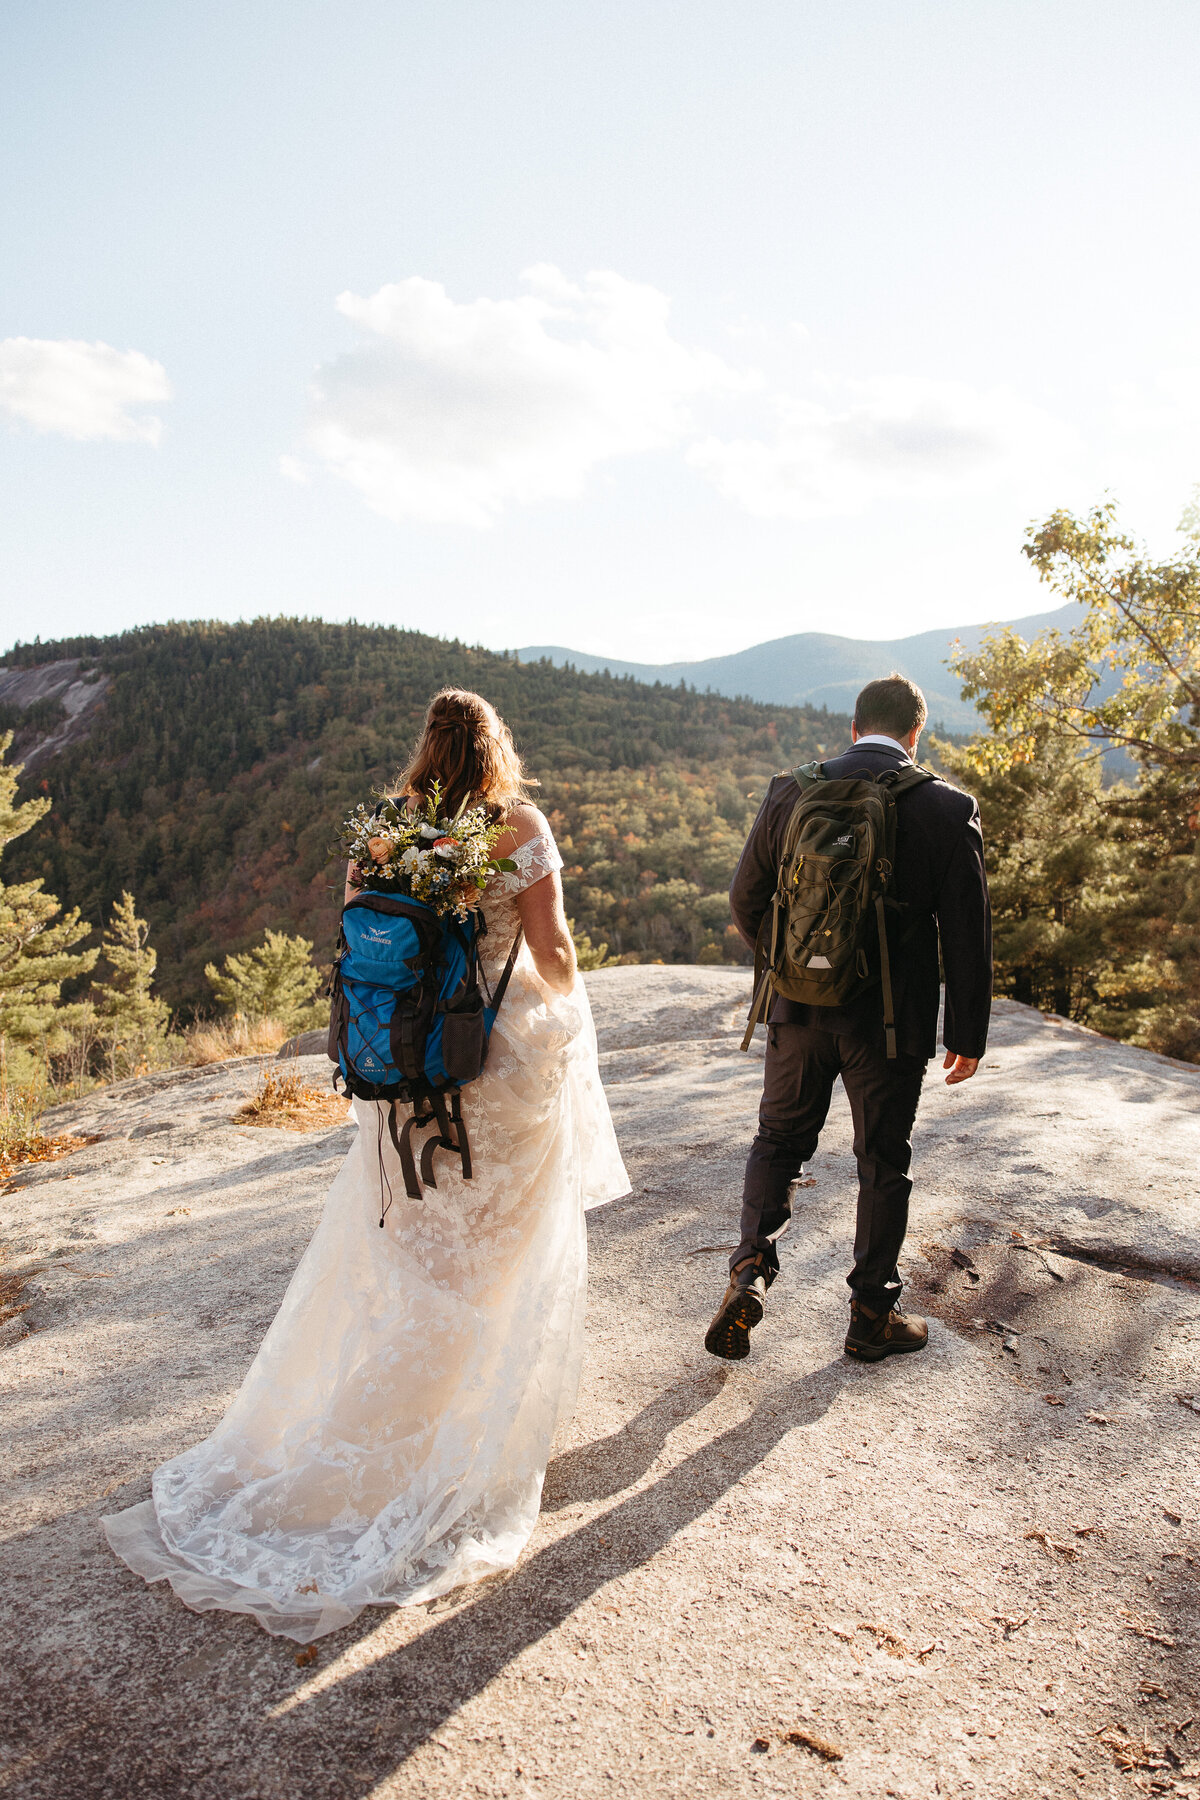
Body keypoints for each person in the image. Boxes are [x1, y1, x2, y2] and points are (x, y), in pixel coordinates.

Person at [104, 688, 629, 1642]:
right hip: (497, 1063)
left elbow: (355, 935)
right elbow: (550, 947)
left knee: (420, 1244)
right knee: (499, 1246)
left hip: (408, 1064)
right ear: (497, 748)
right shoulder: (516, 823)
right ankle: (452, 1425)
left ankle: (375, 1417)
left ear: (424, 749)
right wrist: (573, 1009)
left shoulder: (388, 827)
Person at [705, 673, 992, 1365]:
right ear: (916, 733)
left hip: (798, 1009)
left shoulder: (791, 789)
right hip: (891, 1023)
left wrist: (792, 969)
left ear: (854, 726)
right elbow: (967, 934)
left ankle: (748, 1274)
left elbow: (746, 897)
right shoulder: (948, 808)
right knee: (882, 1160)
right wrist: (967, 1035)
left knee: (778, 1140)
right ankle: (871, 1314)